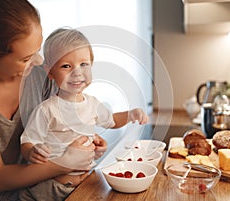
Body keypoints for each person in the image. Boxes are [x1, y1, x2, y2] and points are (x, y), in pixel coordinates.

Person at [0, 0, 107, 200]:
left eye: (38, 48)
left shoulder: (40, 73)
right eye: (25, 58)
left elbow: (57, 122)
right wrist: (64, 163)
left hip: (27, 184)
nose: (39, 60)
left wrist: (83, 136)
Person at [19, 28, 149, 201]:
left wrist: (131, 114)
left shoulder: (93, 104)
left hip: (85, 183)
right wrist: (32, 152)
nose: (77, 72)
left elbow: (111, 120)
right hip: (53, 188)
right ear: (50, 72)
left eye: (84, 64)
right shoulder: (47, 110)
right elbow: (28, 141)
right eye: (66, 66)